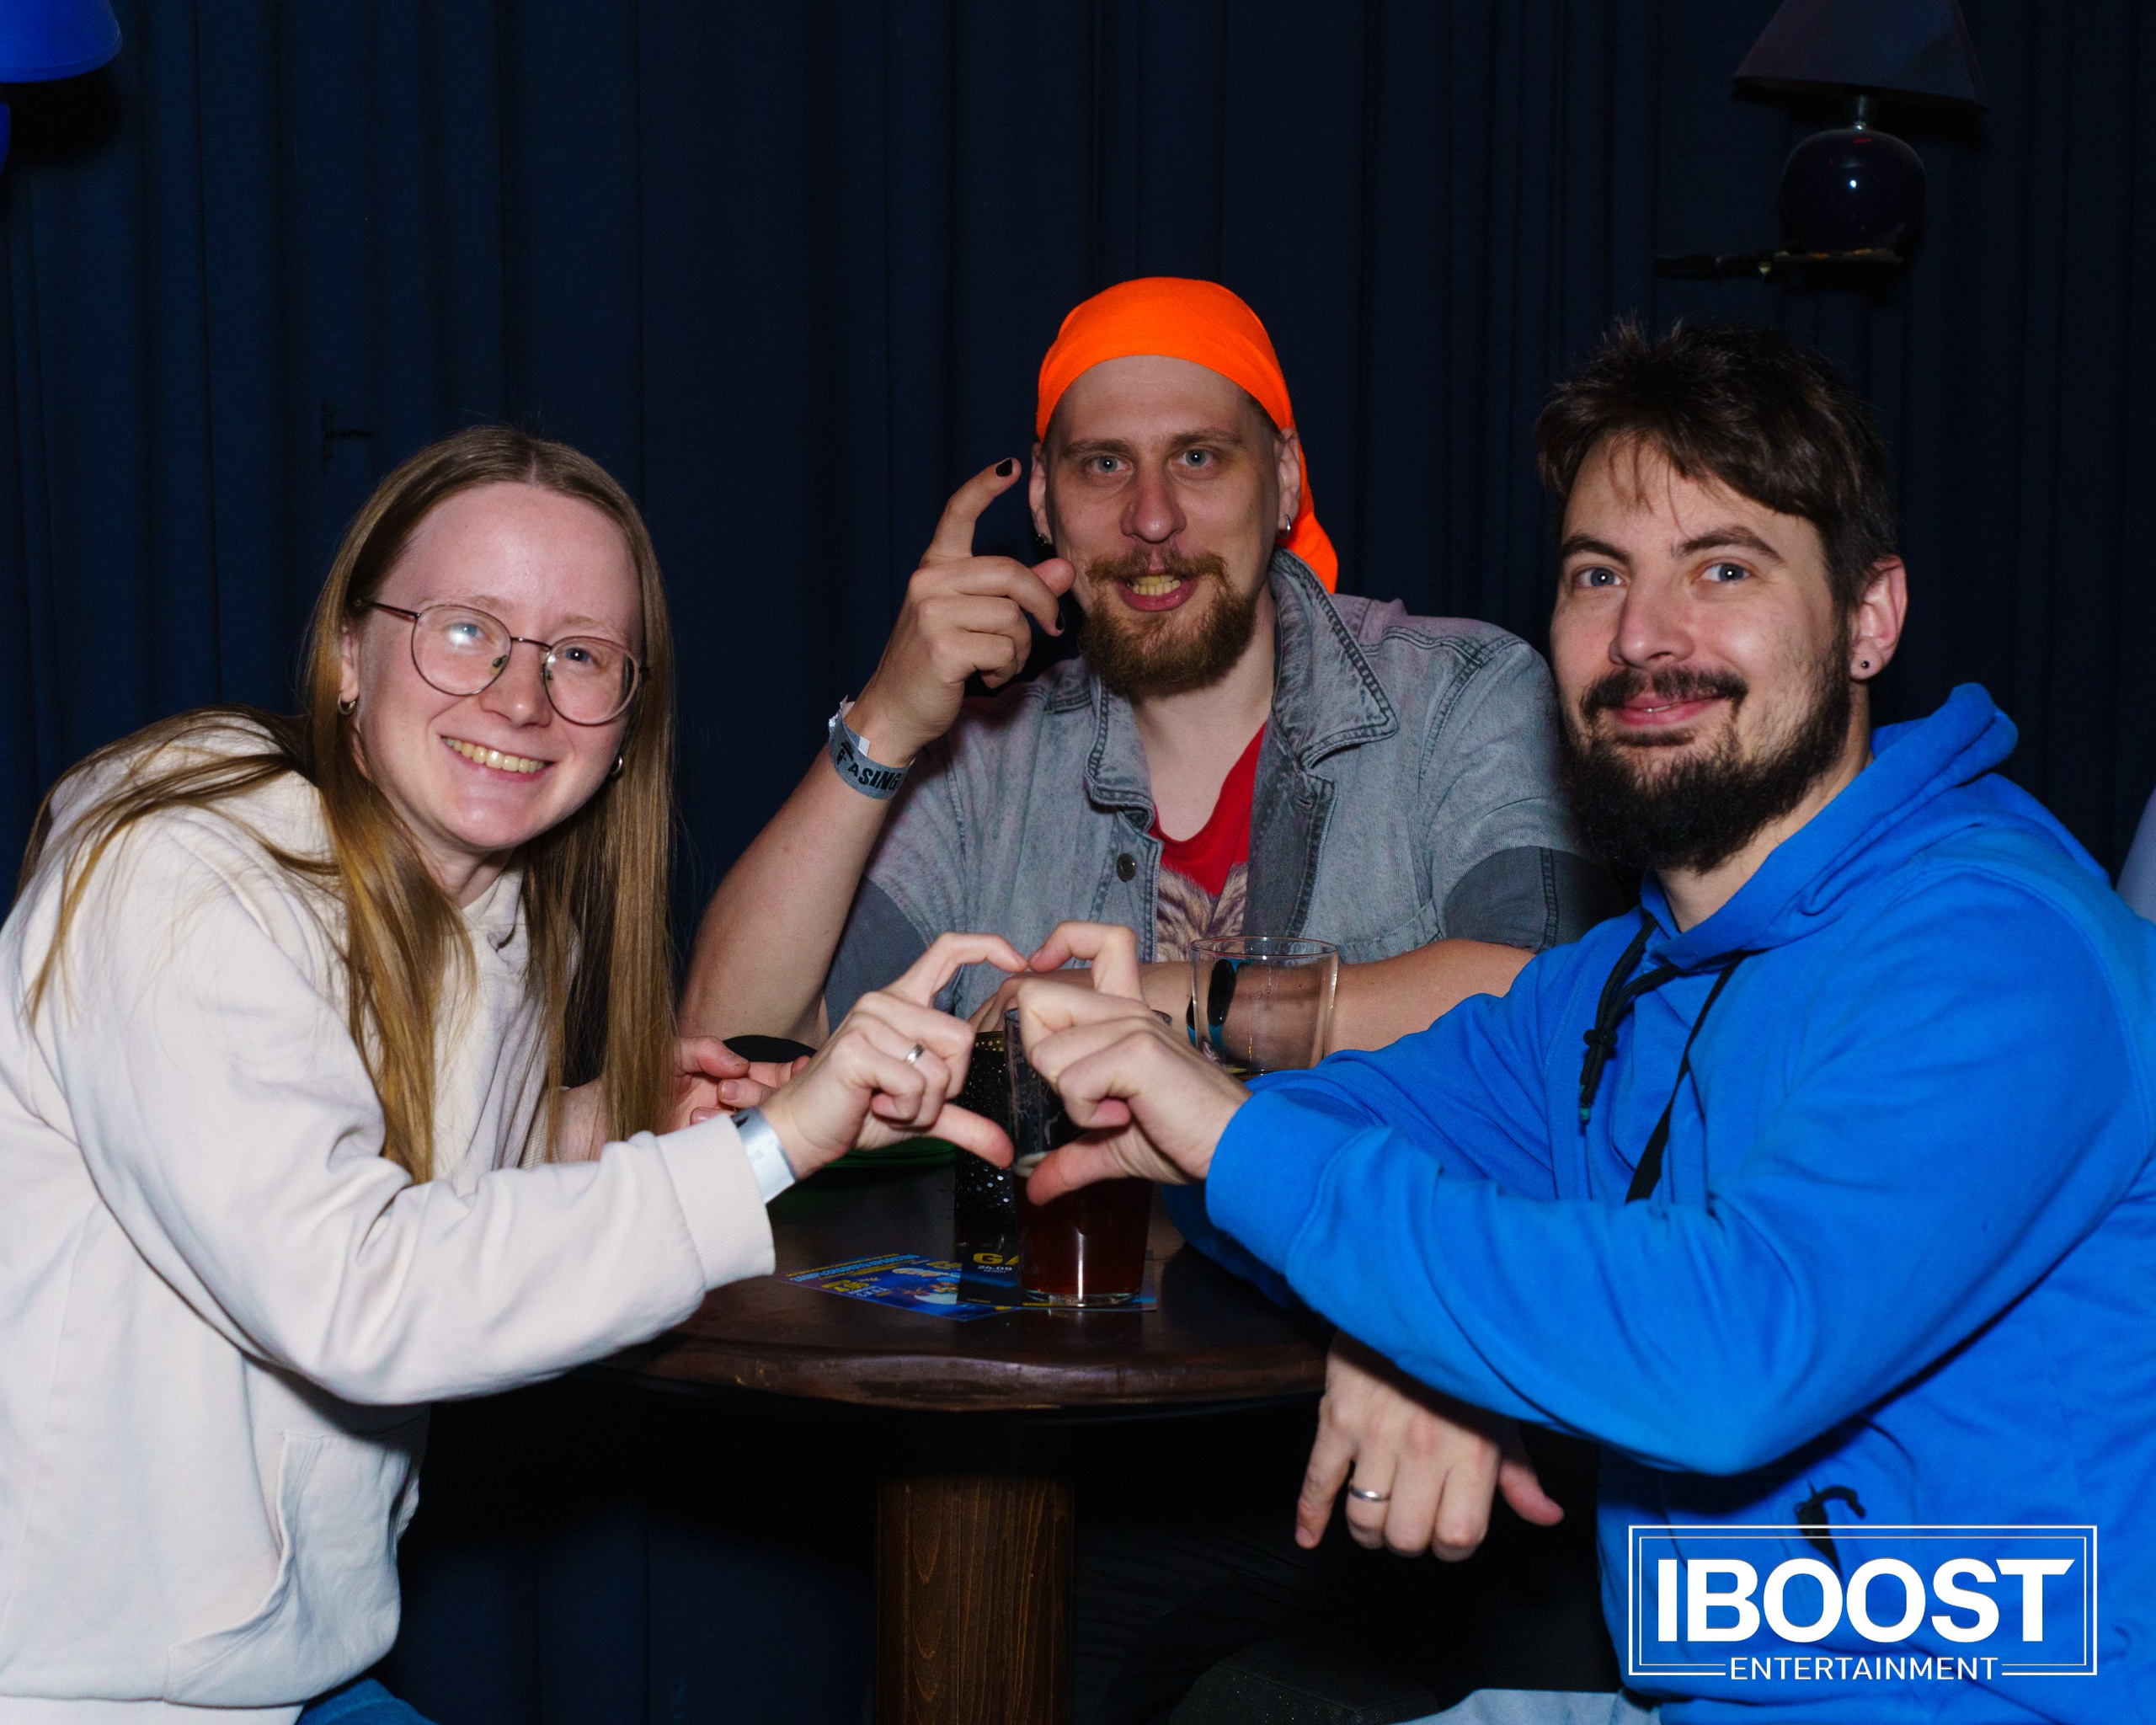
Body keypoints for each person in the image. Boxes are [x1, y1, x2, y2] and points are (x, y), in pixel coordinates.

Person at [1006, 322, 2156, 1723]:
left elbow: (1731, 1351)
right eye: (1598, 576)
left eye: (1722, 570)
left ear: (1871, 618)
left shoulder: (1994, 953)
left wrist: (1248, 1157)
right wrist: (1404, 1325)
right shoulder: (1621, 984)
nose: (1645, 638)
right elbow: (1329, 1130)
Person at [684, 276, 1623, 1718]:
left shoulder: (1455, 694)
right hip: (1105, 1457)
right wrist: (886, 720)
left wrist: (1169, 1008)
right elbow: (744, 1040)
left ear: (1286, 479)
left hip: (1422, 1423)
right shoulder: (989, 757)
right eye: (1101, 467)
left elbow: (1538, 1003)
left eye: (1202, 457)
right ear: (1046, 515)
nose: (1154, 518)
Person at [0, 428, 1013, 1723]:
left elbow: (426, 1153)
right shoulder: (181, 878)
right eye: (467, 629)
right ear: (352, 656)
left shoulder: (510, 919)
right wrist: (764, 1156)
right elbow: (352, 1291)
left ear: (629, 720)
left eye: (580, 655)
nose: (523, 700)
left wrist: (629, 1121)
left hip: (285, 1682)